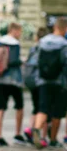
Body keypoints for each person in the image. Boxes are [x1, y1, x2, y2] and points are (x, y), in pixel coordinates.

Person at [32, 17, 67, 149]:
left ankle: (36, 129)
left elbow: (36, 61)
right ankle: (53, 140)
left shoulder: (42, 42)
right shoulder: (64, 44)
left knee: (43, 108)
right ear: (65, 29)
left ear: (54, 27)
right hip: (59, 83)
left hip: (43, 81)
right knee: (58, 112)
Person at [0, 22, 27, 147]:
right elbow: (13, 61)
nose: (20, 34)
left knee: (0, 108)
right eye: (19, 31)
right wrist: (22, 61)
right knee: (19, 106)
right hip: (13, 80)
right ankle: (17, 134)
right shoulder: (15, 44)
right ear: (14, 30)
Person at [24, 27, 49, 147]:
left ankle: (30, 128)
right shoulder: (46, 48)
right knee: (43, 109)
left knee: (36, 107)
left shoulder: (33, 48)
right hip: (41, 81)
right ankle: (42, 136)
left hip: (31, 82)